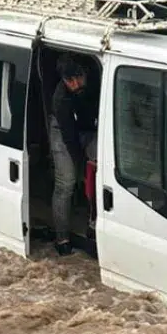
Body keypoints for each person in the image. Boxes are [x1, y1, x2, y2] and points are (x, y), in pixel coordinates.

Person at [49, 57, 98, 256]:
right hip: (63, 130)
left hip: (92, 126)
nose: (75, 84)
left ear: (85, 73)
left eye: (78, 78)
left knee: (101, 176)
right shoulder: (60, 99)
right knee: (66, 182)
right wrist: (81, 167)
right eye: (69, 81)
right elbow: (70, 139)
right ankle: (62, 238)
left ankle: (94, 225)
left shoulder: (97, 77)